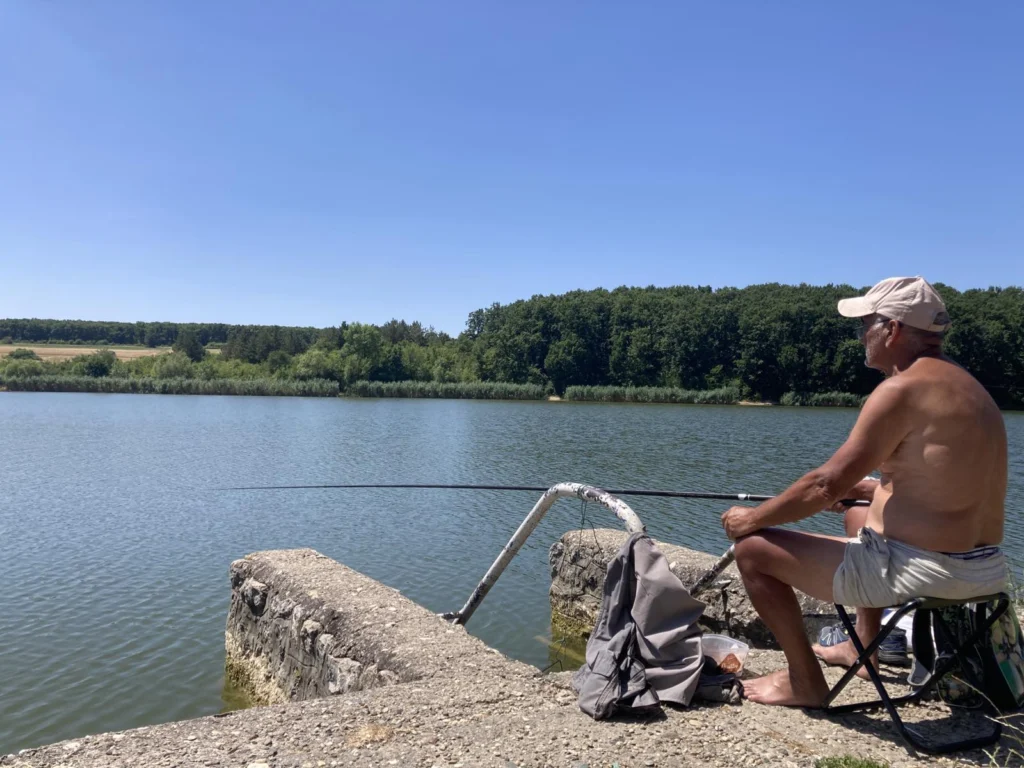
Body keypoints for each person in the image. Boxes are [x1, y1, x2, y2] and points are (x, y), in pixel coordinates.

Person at [720, 276, 1008, 707]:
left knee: (753, 551)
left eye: (865, 325)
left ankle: (804, 682)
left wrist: (751, 519)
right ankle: (863, 647)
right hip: (986, 572)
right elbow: (946, 483)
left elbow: (823, 485)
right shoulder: (972, 388)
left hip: (929, 572)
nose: (860, 337)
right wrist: (868, 488)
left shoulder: (900, 390)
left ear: (892, 329)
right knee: (857, 510)